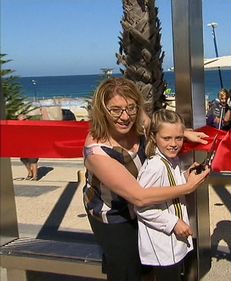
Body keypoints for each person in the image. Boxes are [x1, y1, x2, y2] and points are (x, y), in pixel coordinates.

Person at [83, 77, 210, 281]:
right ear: (102, 110)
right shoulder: (97, 152)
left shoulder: (137, 119)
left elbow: (158, 128)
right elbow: (140, 197)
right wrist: (187, 187)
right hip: (115, 214)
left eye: (131, 108)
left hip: (141, 208)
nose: (125, 116)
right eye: (115, 110)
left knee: (150, 266)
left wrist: (183, 134)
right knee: (127, 268)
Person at [135, 109, 200, 280]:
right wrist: (173, 223)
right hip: (162, 245)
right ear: (153, 137)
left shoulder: (172, 160)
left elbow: (173, 186)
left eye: (178, 138)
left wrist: (188, 176)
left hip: (173, 242)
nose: (173, 144)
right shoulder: (155, 167)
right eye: (167, 138)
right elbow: (142, 206)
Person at [18, 114, 39, 181]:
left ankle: (35, 177)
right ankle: (30, 173)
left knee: (33, 161)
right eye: (19, 120)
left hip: (33, 145)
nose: (22, 121)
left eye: (23, 120)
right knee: (24, 159)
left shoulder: (32, 125)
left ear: (26, 119)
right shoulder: (19, 127)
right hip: (23, 146)